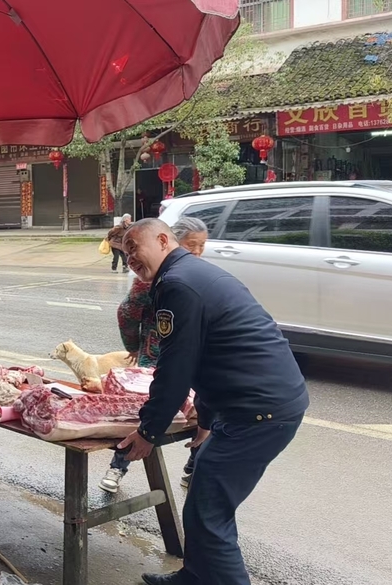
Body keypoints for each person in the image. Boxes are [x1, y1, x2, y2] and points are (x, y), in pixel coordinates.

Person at [114, 218, 308, 585]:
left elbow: (176, 368)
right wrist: (205, 421)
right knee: (202, 501)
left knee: (209, 513)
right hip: (257, 404)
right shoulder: (188, 273)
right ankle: (195, 575)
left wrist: (148, 432)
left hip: (259, 413)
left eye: (134, 248)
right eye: (126, 254)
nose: (131, 259)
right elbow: (208, 356)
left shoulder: (177, 284)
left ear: (162, 240)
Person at [100, 217, 209, 493]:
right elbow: (127, 312)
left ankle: (194, 468)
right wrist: (133, 346)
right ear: (169, 241)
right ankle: (118, 466)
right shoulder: (152, 278)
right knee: (143, 415)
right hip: (156, 357)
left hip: (192, 359)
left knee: (201, 413)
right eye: (191, 245)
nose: (197, 251)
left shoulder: (194, 273)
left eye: (202, 245)